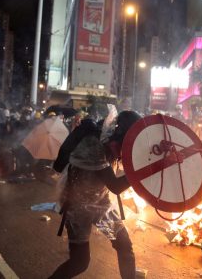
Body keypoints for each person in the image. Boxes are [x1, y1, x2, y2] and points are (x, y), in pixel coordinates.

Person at [48, 110, 141, 279]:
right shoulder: (93, 145)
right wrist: (145, 171)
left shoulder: (113, 141)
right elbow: (115, 186)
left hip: (100, 202)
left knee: (124, 246)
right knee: (80, 263)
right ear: (122, 134)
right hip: (77, 206)